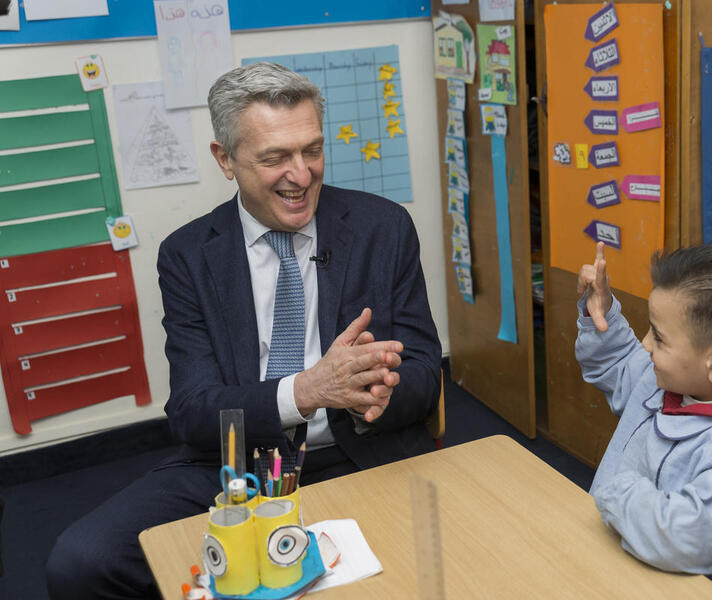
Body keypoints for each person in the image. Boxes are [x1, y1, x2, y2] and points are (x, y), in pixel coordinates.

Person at [46, 62, 441, 599]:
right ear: (225, 159)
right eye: (275, 157)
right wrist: (304, 392)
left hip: (360, 455)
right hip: (235, 464)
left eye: (312, 150)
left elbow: (423, 374)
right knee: (82, 562)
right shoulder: (187, 256)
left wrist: (371, 393)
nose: (301, 176)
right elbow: (191, 409)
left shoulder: (384, 227)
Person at [576, 241, 712, 599]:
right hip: (608, 565)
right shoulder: (667, 376)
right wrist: (601, 313)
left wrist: (613, 487)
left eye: (659, 337)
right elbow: (619, 364)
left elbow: (682, 535)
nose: (646, 345)